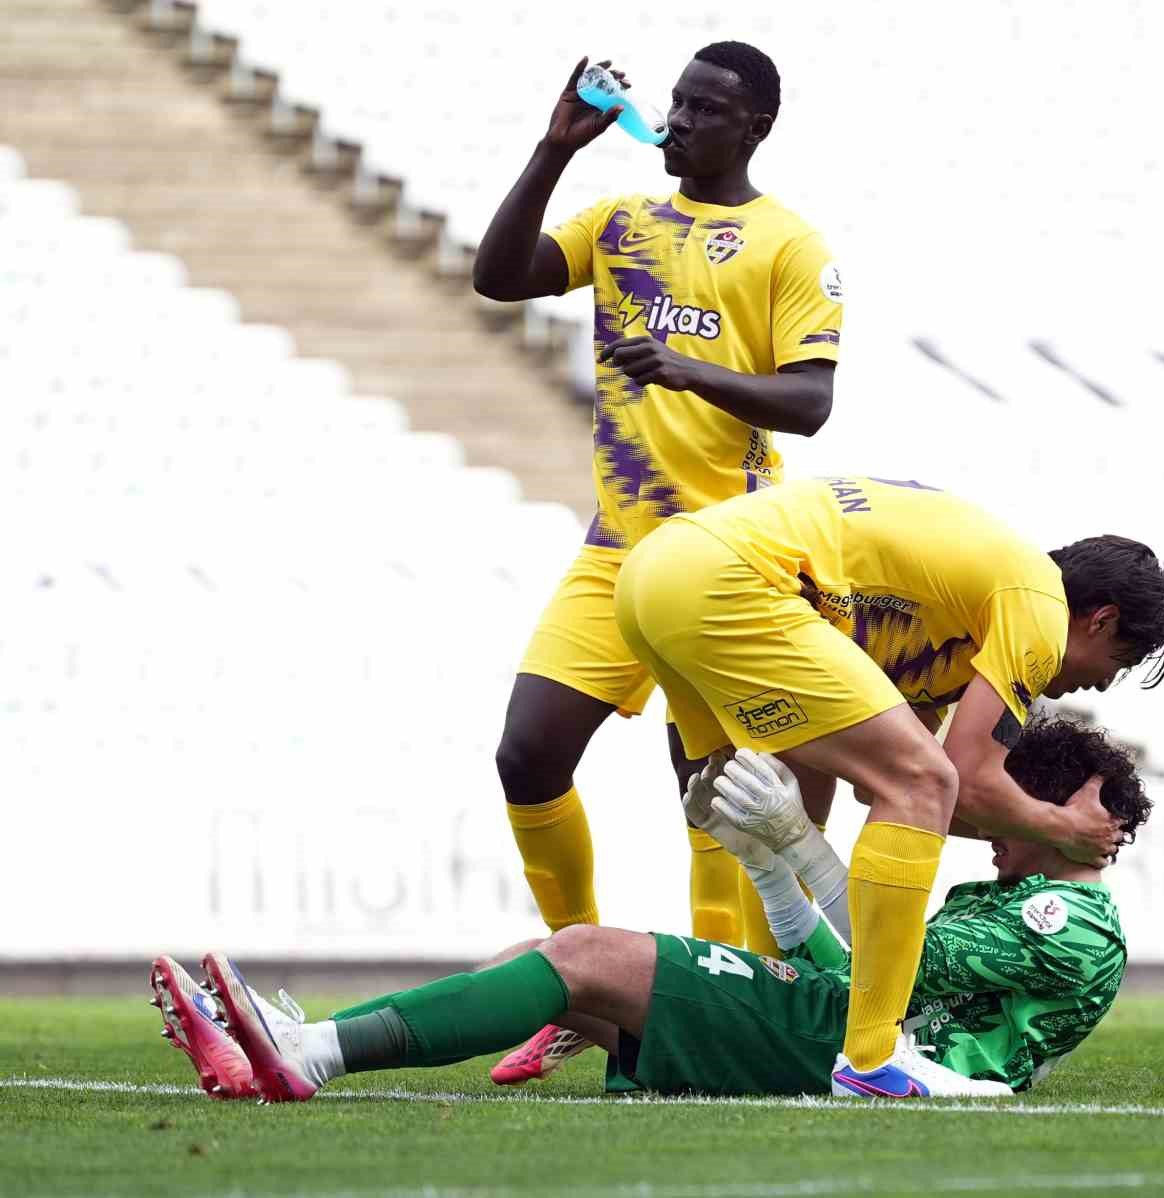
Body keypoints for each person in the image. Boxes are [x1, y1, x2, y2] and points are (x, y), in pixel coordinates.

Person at [471, 41, 844, 1078]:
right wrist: (552, 152)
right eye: (675, 102)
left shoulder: (788, 245)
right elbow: (498, 277)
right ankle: (572, 979)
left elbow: (811, 403)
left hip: (726, 560)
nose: (677, 120)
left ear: (754, 126)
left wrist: (682, 368)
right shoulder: (622, 222)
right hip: (614, 550)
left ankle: (706, 1022)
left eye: (705, 107)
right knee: (527, 753)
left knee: (714, 803)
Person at [148, 718, 1147, 1101]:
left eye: (1014, 805)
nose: (987, 819)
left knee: (584, 956)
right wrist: (768, 873)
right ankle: (298, 1040)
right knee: (543, 955)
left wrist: (803, 850)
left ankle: (304, 1055)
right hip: (846, 1033)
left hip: (873, 1068)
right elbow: (870, 975)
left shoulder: (1073, 921)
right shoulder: (1017, 897)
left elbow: (904, 965)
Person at [606, 473, 1164, 1096]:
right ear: (1101, 619)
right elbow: (959, 783)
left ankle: (736, 998)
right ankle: (871, 1056)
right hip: (730, 579)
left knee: (786, 799)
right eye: (1119, 665)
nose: (1101, 686)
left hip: (652, 573)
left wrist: (1014, 821)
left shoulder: (959, 624)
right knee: (915, 781)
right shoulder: (1038, 611)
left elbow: (887, 791)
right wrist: (1066, 828)